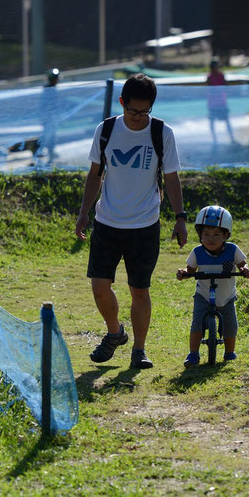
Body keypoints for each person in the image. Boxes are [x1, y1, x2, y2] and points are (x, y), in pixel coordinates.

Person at [75, 73, 188, 369]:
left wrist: (180, 217)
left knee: (139, 289)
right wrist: (84, 211)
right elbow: (95, 174)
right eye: (133, 110)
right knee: (99, 286)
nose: (138, 117)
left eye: (144, 112)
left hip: (145, 225)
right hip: (107, 222)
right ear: (122, 103)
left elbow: (173, 178)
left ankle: (139, 349)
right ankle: (115, 332)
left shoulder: (162, 133)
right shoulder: (107, 130)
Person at [176, 206, 249, 366]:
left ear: (226, 235)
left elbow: (242, 265)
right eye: (206, 234)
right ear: (200, 235)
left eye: (217, 234)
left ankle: (230, 352)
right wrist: (183, 273)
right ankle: (193, 354)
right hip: (203, 295)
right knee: (197, 323)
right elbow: (190, 270)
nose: (211, 238)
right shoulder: (197, 252)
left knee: (231, 325)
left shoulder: (232, 250)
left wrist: (245, 270)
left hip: (226, 296)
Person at [206, 60, 236, 145]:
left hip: (222, 103)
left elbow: (226, 86)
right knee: (212, 122)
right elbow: (208, 89)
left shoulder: (221, 75)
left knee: (227, 121)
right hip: (213, 103)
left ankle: (232, 138)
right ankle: (214, 139)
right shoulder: (209, 77)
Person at [39, 68, 60, 162]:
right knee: (48, 134)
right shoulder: (48, 90)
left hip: (51, 116)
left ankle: (51, 151)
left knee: (52, 134)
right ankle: (47, 151)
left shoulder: (52, 89)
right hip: (48, 117)